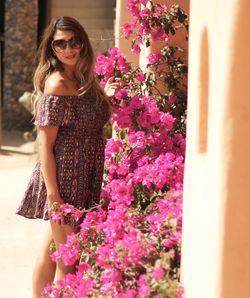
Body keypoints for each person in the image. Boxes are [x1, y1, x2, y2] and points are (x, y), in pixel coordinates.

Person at [16, 16, 120, 298]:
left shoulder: (85, 79)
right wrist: (54, 197)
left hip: (84, 175)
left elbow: (91, 120)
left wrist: (106, 97)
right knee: (68, 260)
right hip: (64, 178)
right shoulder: (57, 85)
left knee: (54, 247)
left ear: (82, 43)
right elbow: (45, 146)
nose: (68, 49)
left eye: (74, 42)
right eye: (60, 43)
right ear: (52, 48)